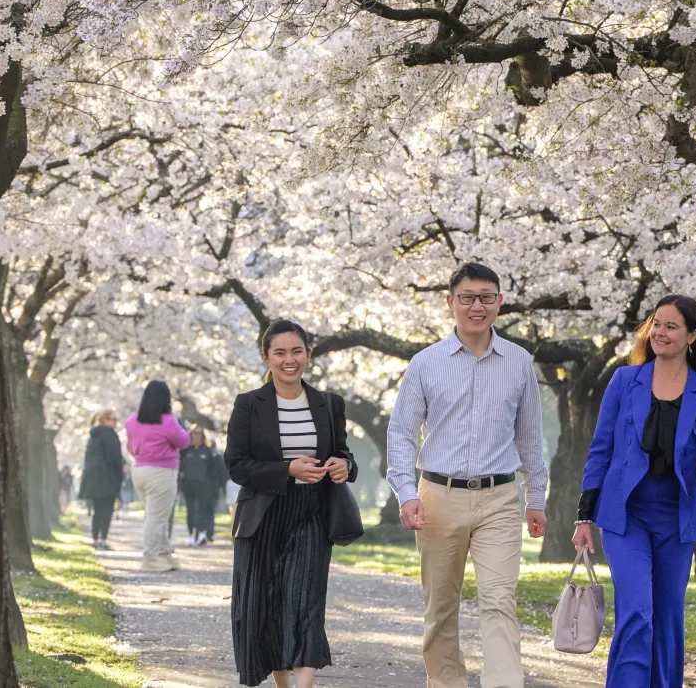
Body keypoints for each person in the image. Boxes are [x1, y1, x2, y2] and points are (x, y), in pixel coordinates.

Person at [387, 262, 549, 688]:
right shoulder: (425, 364)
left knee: (500, 601)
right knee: (441, 608)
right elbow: (402, 434)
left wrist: (536, 499)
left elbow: (531, 438)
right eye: (467, 298)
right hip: (438, 496)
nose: (476, 306)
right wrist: (406, 492)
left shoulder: (519, 362)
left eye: (485, 297)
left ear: (499, 302)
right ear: (450, 303)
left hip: (500, 498)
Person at [571, 295, 696, 688]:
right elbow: (601, 450)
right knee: (637, 612)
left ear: (692, 335)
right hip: (626, 517)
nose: (659, 332)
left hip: (677, 519)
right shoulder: (625, 381)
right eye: (656, 324)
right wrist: (584, 516)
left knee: (667, 618)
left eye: (671, 326)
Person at [228, 319, 357, 688]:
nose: (289, 360)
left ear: (308, 355)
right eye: (280, 352)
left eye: (296, 351)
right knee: (265, 604)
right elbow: (237, 466)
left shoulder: (329, 404)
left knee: (305, 600)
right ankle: (283, 684)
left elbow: (343, 453)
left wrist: (343, 465)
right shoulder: (248, 404)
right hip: (263, 515)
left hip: (312, 513)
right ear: (265, 357)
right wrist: (287, 469)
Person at [128, 380, 193, 572]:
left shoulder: (132, 420)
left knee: (156, 515)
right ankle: (149, 557)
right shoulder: (167, 421)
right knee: (156, 517)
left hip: (139, 470)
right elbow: (184, 441)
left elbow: (130, 447)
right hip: (162, 472)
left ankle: (165, 553)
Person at [80, 411, 126, 550]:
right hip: (108, 478)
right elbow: (115, 458)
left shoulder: (93, 436)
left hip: (94, 479)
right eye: (113, 419)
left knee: (97, 511)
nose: (116, 422)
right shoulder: (110, 435)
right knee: (107, 511)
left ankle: (95, 538)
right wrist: (121, 472)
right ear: (105, 420)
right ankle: (103, 539)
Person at [181, 426, 230, 545]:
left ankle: (202, 533)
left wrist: (214, 486)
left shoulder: (208, 451)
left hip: (204, 486)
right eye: (195, 433)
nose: (197, 435)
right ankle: (191, 534)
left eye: (200, 433)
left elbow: (213, 470)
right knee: (190, 510)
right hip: (188, 485)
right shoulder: (186, 450)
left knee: (202, 510)